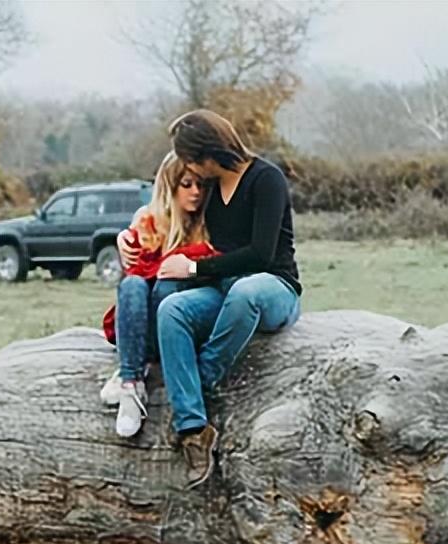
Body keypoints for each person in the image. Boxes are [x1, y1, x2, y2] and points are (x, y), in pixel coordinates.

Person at [155, 109, 303, 488]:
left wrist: (192, 269)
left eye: (190, 159)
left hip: (272, 288)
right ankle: (193, 430)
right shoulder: (210, 189)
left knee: (245, 290)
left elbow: (261, 254)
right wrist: (131, 237)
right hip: (223, 291)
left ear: (208, 153)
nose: (189, 168)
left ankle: (199, 384)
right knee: (172, 309)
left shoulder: (265, 179)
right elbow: (167, 210)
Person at [99, 151, 217, 438]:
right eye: (186, 184)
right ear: (169, 186)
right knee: (132, 285)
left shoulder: (210, 222)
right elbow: (135, 267)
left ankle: (133, 368)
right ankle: (131, 383)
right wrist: (123, 240)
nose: (196, 192)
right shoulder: (150, 220)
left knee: (166, 287)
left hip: (181, 324)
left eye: (201, 185)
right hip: (143, 320)